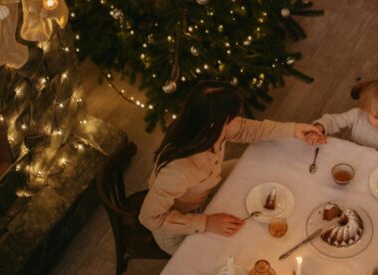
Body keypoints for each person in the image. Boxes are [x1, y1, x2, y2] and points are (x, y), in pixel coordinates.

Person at [139, 81, 325, 254]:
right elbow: (149, 217)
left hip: (203, 191)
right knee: (234, 243)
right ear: (215, 123)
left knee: (247, 169)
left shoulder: (205, 125)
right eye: (231, 118)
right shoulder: (178, 170)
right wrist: (207, 223)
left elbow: (247, 129)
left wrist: (294, 129)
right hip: (176, 228)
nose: (235, 120)